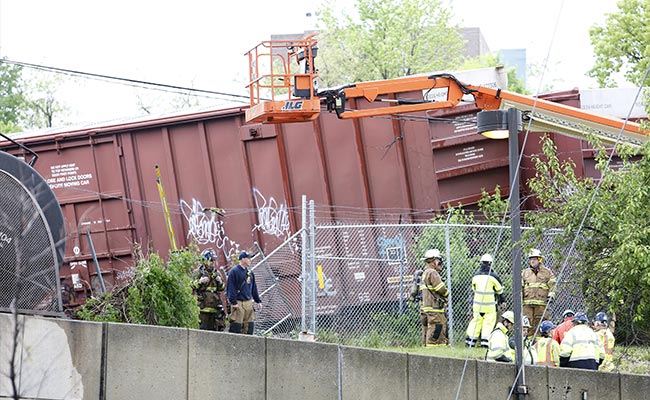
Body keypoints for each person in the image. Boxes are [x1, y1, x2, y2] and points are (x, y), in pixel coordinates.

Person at [466, 254, 507, 347]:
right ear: (490, 264)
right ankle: (485, 343)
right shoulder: (493, 276)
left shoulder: (476, 276)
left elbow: (474, 288)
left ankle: (470, 342)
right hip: (489, 306)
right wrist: (502, 301)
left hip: (477, 306)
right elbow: (500, 291)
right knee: (488, 324)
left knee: (476, 322)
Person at [418, 249, 449, 346]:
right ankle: (434, 348)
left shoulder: (425, 272)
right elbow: (440, 288)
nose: (440, 263)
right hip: (434, 307)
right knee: (437, 328)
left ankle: (426, 347)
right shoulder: (433, 273)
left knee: (427, 328)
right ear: (433, 261)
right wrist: (447, 294)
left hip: (426, 307)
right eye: (439, 260)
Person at [226, 251, 262, 334]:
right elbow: (231, 288)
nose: (250, 260)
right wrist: (233, 302)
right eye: (248, 258)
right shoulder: (234, 271)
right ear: (242, 259)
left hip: (248, 302)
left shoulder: (250, 273)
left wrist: (258, 301)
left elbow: (253, 288)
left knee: (249, 327)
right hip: (238, 303)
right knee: (236, 327)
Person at [522, 249, 556, 335]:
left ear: (539, 260)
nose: (532, 261)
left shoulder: (547, 272)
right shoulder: (525, 273)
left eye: (534, 259)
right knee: (527, 324)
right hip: (527, 304)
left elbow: (553, 285)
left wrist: (551, 296)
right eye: (530, 259)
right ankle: (528, 343)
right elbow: (520, 286)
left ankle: (539, 343)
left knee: (540, 324)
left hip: (541, 304)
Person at [191, 249, 226, 331]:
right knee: (203, 331)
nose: (212, 262)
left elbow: (223, 288)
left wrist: (219, 281)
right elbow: (190, 286)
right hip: (202, 309)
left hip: (215, 309)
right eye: (210, 260)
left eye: (213, 260)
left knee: (216, 331)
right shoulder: (197, 273)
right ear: (204, 260)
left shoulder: (217, 273)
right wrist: (200, 281)